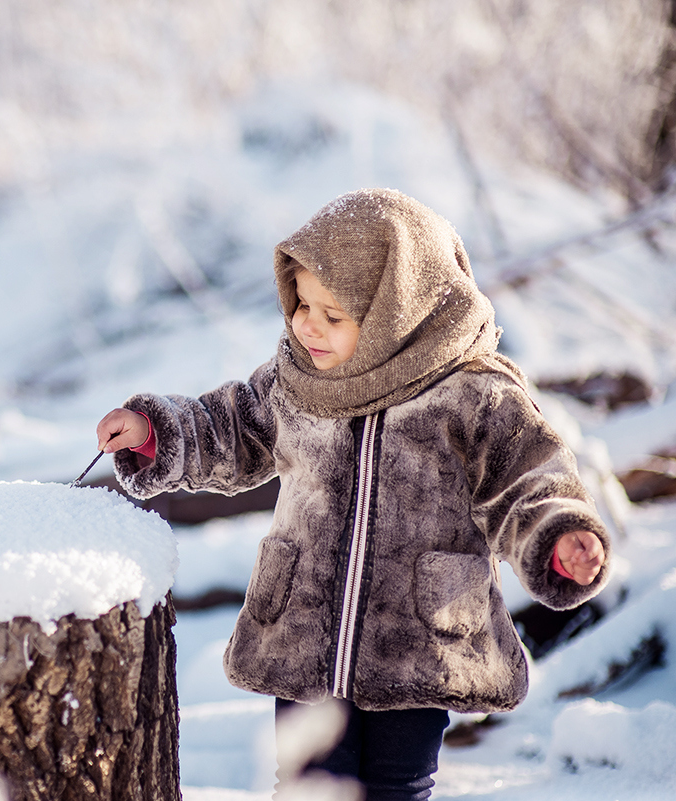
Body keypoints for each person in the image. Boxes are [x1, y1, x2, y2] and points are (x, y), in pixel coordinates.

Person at [94, 189, 609, 801]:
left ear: (399, 312)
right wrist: (157, 433)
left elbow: (526, 480)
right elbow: (231, 429)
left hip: (415, 639)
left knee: (396, 786)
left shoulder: (471, 394)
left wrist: (558, 535)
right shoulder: (296, 381)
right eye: (301, 303)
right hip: (306, 631)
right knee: (311, 784)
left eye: (333, 315)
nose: (306, 324)